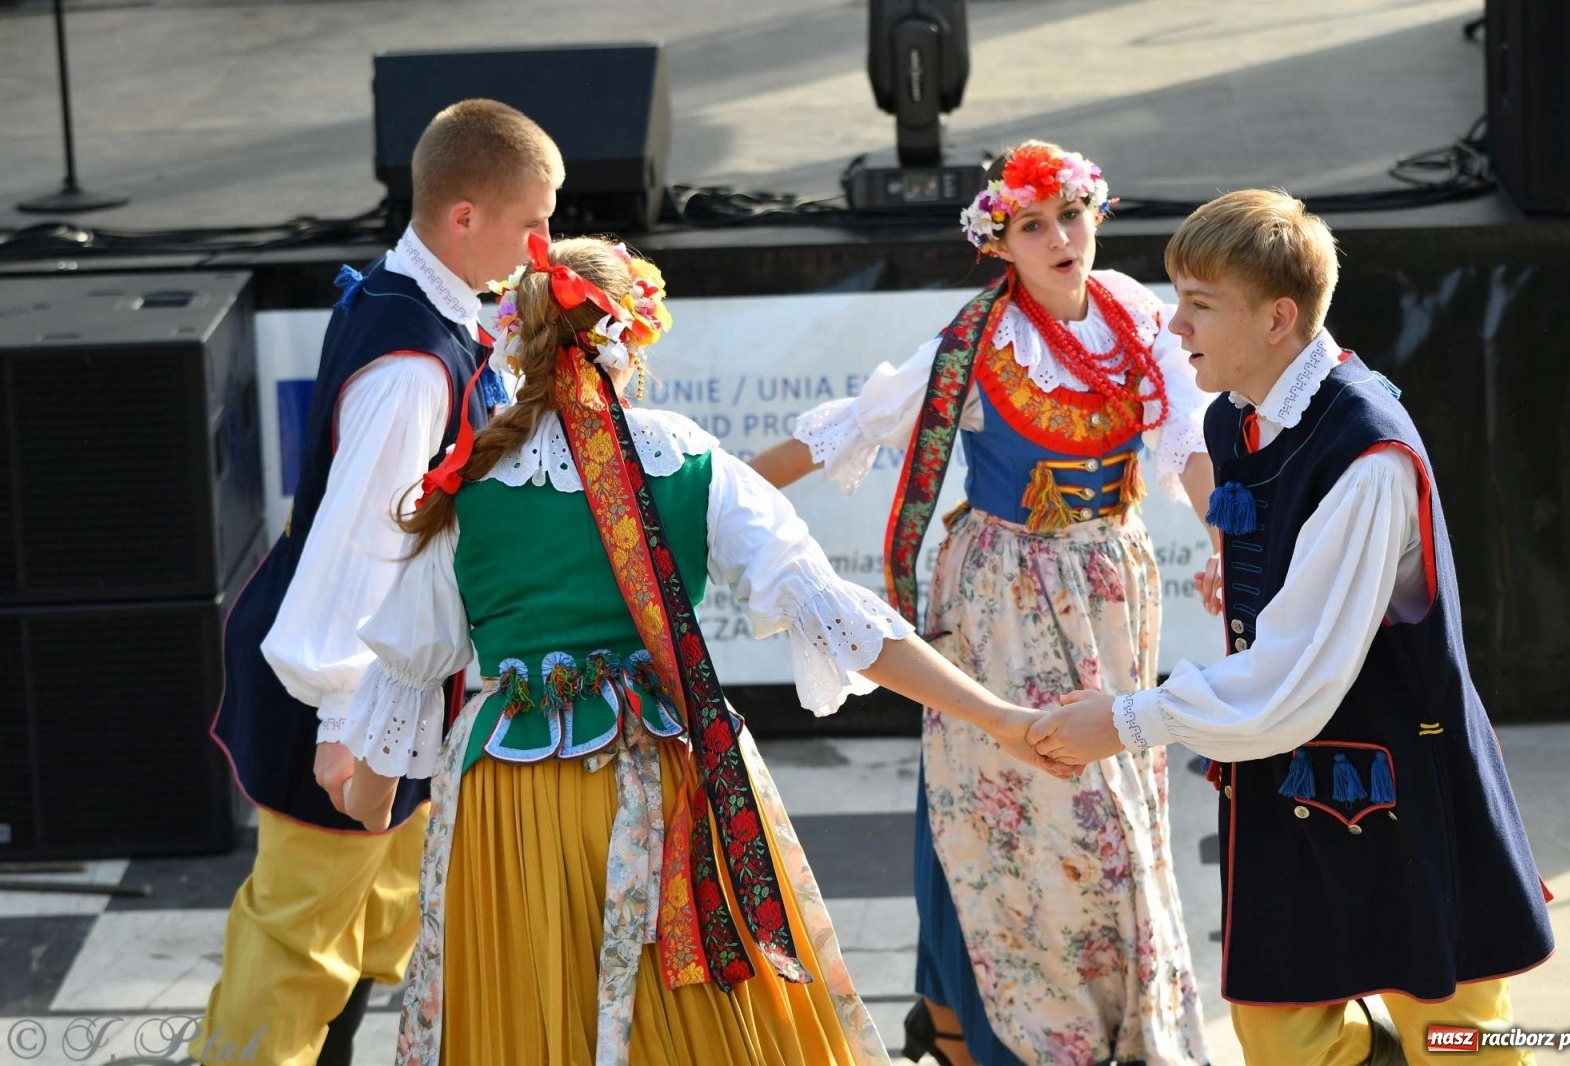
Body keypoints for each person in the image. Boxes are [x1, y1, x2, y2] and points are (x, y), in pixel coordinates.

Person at [337, 234, 1068, 1066]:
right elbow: (837, 618)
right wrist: (999, 715)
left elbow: (400, 688)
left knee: (537, 1020)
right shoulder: (685, 463)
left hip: (512, 805)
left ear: (519, 337)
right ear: (635, 337)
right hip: (667, 775)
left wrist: (370, 796)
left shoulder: (469, 481)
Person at [1030, 189, 1555, 1066]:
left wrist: (1123, 721)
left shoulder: (1366, 453)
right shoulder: (1235, 418)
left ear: (1279, 317)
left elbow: (1293, 679)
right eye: (1176, 297)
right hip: (1290, 773)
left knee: (1461, 1038)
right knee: (1280, 1030)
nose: (1174, 324)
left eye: (1201, 304)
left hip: (1400, 779)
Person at [750, 141, 1215, 1066]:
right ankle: (1009, 1029)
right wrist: (701, 497)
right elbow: (856, 423)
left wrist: (1225, 547)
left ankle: (1075, 1021)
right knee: (1019, 800)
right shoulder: (976, 343)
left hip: (1112, 586)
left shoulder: (1134, 314)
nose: (1060, 239)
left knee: (1114, 807)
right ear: (999, 246)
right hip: (1005, 588)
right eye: (1032, 226)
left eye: (1071, 216)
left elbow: (1185, 442)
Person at [201, 99, 561, 1066]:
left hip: (389, 689)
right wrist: (344, 725)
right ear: (464, 219)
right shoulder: (413, 369)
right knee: (296, 942)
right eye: (534, 220)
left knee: (377, 924)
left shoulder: (414, 303)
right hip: (346, 688)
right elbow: (360, 551)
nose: (545, 241)